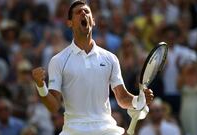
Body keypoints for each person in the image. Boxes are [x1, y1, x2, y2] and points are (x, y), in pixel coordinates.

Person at [32, 0, 154, 135]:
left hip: (106, 129)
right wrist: (40, 86)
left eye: (87, 11)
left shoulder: (110, 58)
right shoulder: (58, 60)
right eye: (78, 12)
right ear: (69, 23)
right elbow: (54, 106)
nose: (83, 13)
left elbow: (122, 98)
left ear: (93, 21)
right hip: (73, 130)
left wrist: (139, 100)